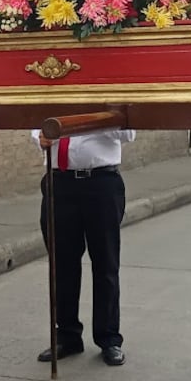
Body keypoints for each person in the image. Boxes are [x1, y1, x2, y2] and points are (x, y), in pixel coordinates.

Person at [31, 127, 136, 367]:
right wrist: (40, 136)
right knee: (62, 264)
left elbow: (129, 133)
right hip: (59, 181)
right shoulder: (52, 90)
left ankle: (109, 338)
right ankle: (67, 335)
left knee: (105, 262)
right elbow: (36, 124)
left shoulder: (106, 92)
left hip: (101, 181)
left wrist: (90, 119)